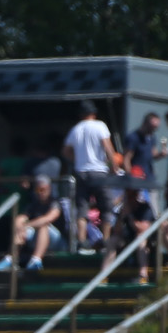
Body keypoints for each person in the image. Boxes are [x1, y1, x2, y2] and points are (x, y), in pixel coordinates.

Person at [63, 101, 118, 245]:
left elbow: (65, 151)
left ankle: (81, 241)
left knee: (82, 208)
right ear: (94, 113)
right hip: (99, 170)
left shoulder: (76, 129)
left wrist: (78, 159)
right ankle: (105, 241)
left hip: (81, 172)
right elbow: (108, 147)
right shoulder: (100, 126)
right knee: (106, 206)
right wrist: (114, 166)